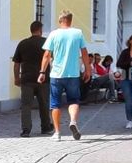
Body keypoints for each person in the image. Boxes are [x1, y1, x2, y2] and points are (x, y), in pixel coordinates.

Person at [39, 11, 91, 140]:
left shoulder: (54, 34)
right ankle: (73, 121)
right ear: (70, 20)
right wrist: (87, 70)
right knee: (73, 100)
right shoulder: (78, 33)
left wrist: (42, 72)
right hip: (73, 74)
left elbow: (47, 55)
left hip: (56, 74)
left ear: (60, 20)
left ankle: (57, 133)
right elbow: (84, 53)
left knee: (55, 104)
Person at [12, 21, 52, 136]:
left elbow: (16, 64)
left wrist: (16, 78)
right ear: (40, 30)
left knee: (26, 105)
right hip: (43, 79)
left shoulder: (23, 44)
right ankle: (46, 127)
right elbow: (53, 59)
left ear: (31, 30)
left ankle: (26, 130)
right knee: (44, 104)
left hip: (27, 79)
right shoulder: (46, 43)